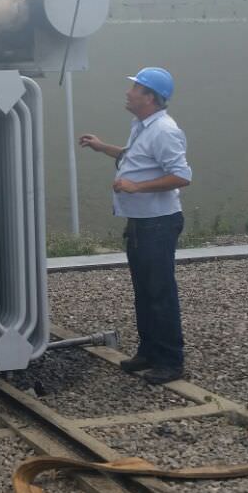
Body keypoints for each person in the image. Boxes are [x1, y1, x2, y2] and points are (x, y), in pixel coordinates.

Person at [79, 67, 192, 386]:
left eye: (136, 88)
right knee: (144, 291)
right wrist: (103, 147)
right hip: (142, 223)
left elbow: (182, 176)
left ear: (151, 98)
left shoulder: (165, 131)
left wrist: (136, 187)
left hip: (158, 223)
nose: (129, 93)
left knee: (160, 292)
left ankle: (170, 360)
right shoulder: (142, 126)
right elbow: (135, 158)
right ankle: (149, 352)